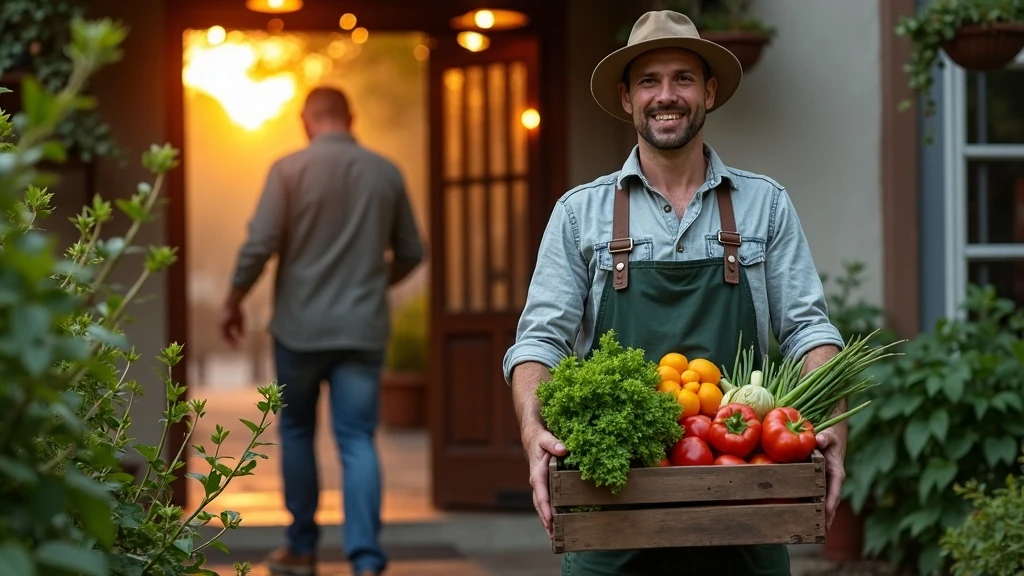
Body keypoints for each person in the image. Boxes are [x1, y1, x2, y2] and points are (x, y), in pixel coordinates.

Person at [503, 10, 847, 575]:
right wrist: (532, 428)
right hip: (610, 504)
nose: (667, 96)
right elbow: (540, 341)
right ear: (626, 98)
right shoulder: (579, 214)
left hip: (743, 502)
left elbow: (809, 329)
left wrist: (832, 420)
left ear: (709, 92)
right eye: (649, 81)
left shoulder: (766, 205)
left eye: (683, 78)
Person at [220, 86, 425, 576]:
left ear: (305, 120)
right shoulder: (385, 171)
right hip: (361, 329)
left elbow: (260, 243)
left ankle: (302, 548)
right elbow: (413, 251)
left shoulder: (288, 170)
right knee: (357, 439)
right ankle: (367, 559)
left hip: (299, 330)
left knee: (295, 432)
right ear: (350, 117)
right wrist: (376, 282)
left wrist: (233, 300)